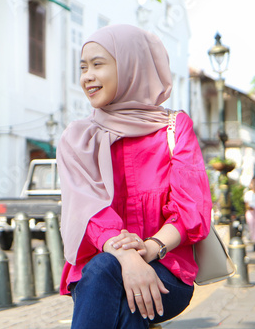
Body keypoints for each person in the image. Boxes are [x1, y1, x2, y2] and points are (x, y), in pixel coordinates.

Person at [56, 24, 212, 329]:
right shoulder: (77, 138)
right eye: (83, 67)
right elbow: (89, 211)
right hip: (98, 272)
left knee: (109, 275)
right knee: (121, 297)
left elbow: (191, 210)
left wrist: (148, 250)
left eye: (98, 64)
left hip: (166, 267)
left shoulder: (174, 127)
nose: (87, 76)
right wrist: (128, 259)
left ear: (130, 65)